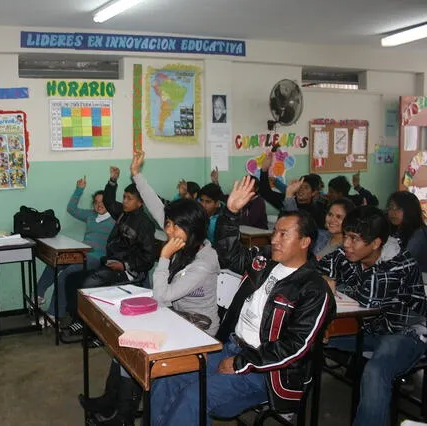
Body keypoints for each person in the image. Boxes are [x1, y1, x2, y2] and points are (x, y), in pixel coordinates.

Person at [151, 176, 335, 425]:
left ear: (305, 242)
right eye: (275, 232)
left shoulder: (313, 289)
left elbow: (294, 348)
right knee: (166, 375)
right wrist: (231, 212)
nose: (274, 239)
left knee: (194, 396)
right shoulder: (265, 263)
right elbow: (228, 253)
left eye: (284, 234)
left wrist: (241, 363)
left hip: (266, 371)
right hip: (231, 347)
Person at [81, 152, 220, 426]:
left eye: (175, 226)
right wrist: (136, 174)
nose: (169, 231)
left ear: (192, 228)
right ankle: (112, 400)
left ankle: (124, 417)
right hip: (174, 317)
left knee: (136, 349)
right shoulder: (182, 239)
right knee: (125, 344)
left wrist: (164, 257)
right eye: (168, 225)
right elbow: (158, 207)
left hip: (197, 329)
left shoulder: (204, 260)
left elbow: (163, 296)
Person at [318, 206, 426, 426]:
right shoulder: (351, 251)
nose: (346, 244)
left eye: (354, 239)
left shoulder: (396, 265)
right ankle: (288, 403)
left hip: (406, 333)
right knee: (309, 337)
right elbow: (317, 268)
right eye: (346, 236)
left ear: (376, 243)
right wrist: (323, 277)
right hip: (369, 328)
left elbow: (366, 300)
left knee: (376, 371)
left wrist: (333, 283)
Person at [63, 166, 156, 335]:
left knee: (89, 285)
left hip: (129, 271)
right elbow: (109, 201)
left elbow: (148, 257)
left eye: (129, 198)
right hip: (112, 263)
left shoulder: (145, 224)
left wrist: (124, 265)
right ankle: (79, 320)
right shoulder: (123, 213)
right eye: (124, 197)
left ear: (140, 202)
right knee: (71, 279)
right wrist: (112, 181)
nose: (125, 201)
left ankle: (95, 333)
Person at [36, 177, 115, 319]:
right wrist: (79, 189)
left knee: (64, 276)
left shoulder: (114, 219)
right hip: (81, 253)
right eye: (96, 202)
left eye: (102, 202)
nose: (99, 205)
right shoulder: (91, 215)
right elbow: (71, 209)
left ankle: (54, 314)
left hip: (96, 258)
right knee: (54, 263)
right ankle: (39, 294)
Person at [387, 191, 427, 274]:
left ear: (410, 211)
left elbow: (401, 264)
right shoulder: (397, 229)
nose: (393, 212)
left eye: (398, 208)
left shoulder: (418, 235)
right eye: (390, 207)